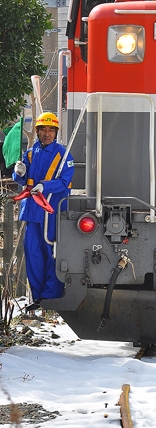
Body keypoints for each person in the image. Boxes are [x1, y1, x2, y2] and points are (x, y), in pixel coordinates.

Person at [12, 112, 74, 311]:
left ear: (56, 132)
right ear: (37, 131)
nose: (47, 133)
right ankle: (38, 299)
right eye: (43, 130)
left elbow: (65, 182)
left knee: (52, 256)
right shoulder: (30, 153)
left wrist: (45, 186)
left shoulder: (64, 155)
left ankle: (50, 299)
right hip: (32, 213)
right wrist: (18, 173)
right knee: (33, 256)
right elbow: (23, 180)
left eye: (51, 130)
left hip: (52, 214)